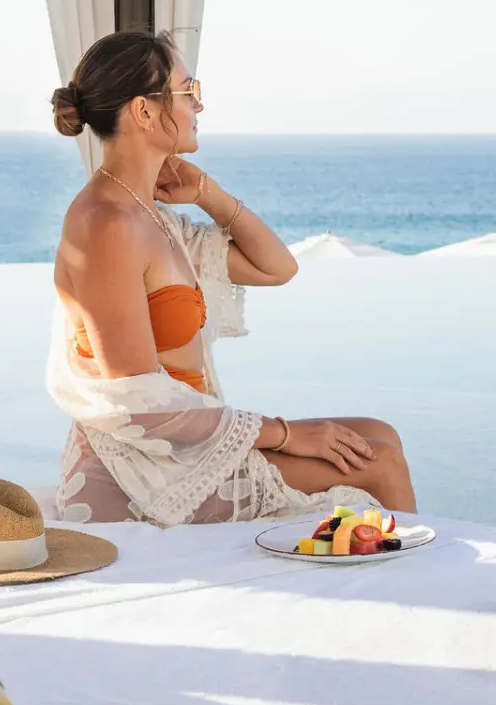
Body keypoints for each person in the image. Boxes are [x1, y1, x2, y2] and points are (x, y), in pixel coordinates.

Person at [45, 29, 415, 525]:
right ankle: (423, 572)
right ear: (144, 111)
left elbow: (277, 267)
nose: (199, 105)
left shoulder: (153, 217)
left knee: (380, 433)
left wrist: (207, 193)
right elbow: (136, 398)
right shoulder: (106, 225)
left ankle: (394, 558)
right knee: (379, 463)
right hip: (138, 471)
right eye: (188, 91)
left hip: (181, 444)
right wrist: (285, 433)